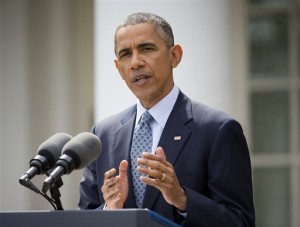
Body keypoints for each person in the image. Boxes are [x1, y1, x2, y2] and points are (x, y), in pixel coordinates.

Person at [78, 12, 255, 226]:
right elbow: (84, 216)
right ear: (119, 69)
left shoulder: (218, 129)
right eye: (125, 54)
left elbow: (240, 221)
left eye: (147, 49)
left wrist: (182, 198)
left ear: (175, 56)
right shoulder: (102, 135)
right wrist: (109, 209)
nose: (135, 63)